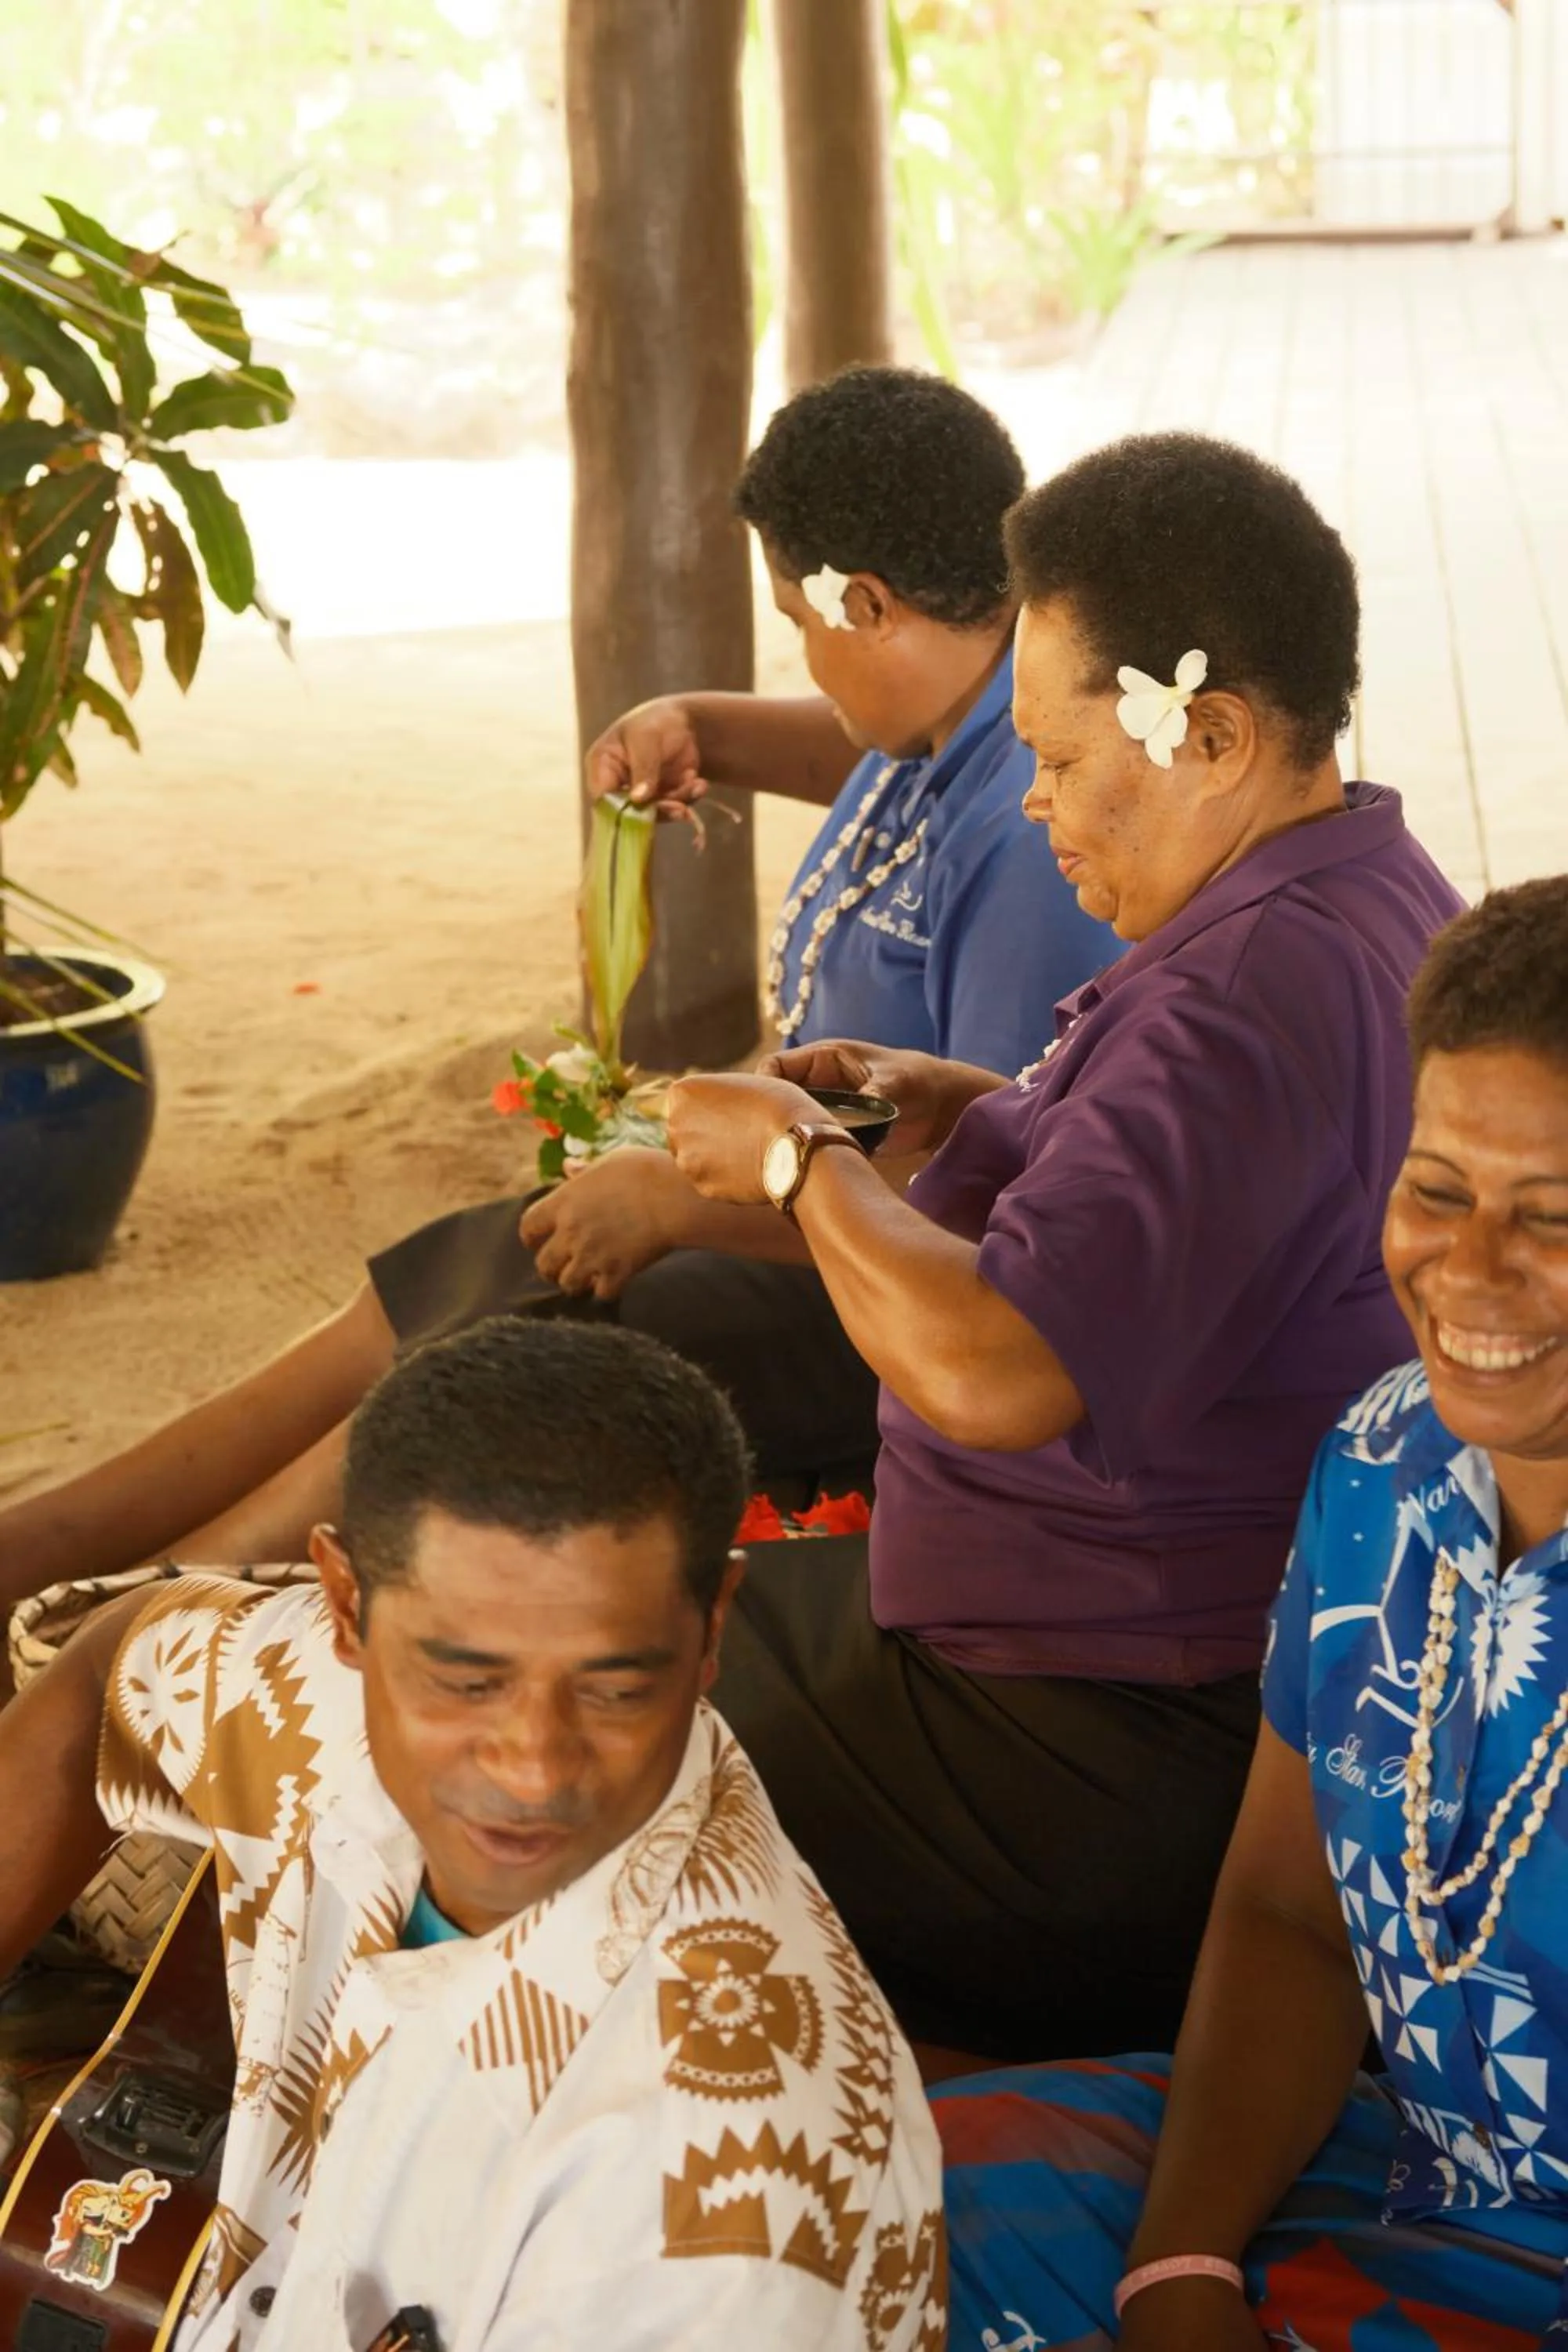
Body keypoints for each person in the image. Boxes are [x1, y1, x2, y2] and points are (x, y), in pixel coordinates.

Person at [0, 364, 1113, 1607]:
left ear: (863, 600)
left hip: (881, 1316)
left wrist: (686, 1206)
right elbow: (864, 747)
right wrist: (708, 724)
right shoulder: (955, 714)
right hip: (800, 1208)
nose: (799, 655)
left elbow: (990, 1210)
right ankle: (56, 1549)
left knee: (526, 1338)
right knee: (482, 1258)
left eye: (797, 621)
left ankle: (159, 1601)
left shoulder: (1030, 833)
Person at [663, 430, 1467, 2063]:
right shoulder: (1356, 887)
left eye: (1053, 755)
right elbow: (1195, 1215)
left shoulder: (1241, 995)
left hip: (1093, 1745)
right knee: (617, 1622)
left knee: (545, 1717)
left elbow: (1002, 1370)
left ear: (1215, 735)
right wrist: (968, 1107)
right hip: (1126, 1692)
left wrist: (793, 1160)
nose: (1032, 804)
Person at [0, 1319, 946, 2350]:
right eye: (465, 1682)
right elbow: (113, 1676)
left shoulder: (723, 2212)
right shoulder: (318, 1700)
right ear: (347, 1607)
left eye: (617, 1685)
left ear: (713, 1623)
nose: (532, 1767)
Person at [932, 876, 1568, 2351]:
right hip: (1392, 2191)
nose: (1468, 1270)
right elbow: (1289, 1912)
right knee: (827, 2214)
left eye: (1553, 1216)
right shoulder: (1383, 1461)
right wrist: (1182, 2270)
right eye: (1437, 1188)